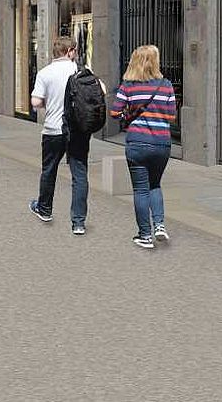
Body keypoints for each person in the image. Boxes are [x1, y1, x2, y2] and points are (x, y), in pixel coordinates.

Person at [108, 45, 177, 249]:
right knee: (155, 184)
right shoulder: (166, 85)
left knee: (140, 189)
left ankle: (145, 236)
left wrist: (127, 116)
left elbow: (114, 113)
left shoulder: (128, 85)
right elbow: (172, 116)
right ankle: (160, 225)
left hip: (137, 143)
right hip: (162, 143)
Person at [27, 35, 93, 235]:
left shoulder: (45, 73)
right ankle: (79, 222)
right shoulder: (81, 71)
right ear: (70, 51)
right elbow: (101, 90)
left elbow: (35, 102)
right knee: (79, 174)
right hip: (78, 130)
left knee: (49, 170)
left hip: (53, 129)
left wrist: (51, 103)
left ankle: (44, 209)